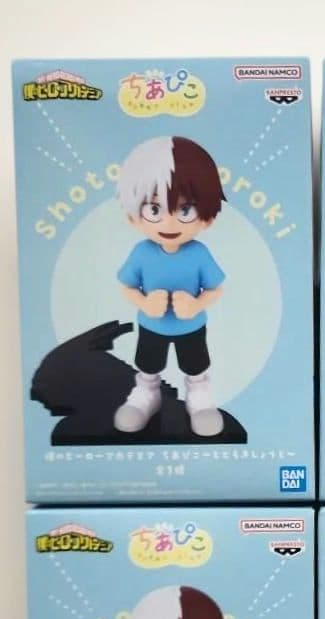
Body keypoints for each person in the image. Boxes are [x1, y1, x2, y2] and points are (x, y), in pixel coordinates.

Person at [114, 136, 226, 437]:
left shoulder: (199, 254)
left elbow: (216, 288)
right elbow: (126, 286)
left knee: (195, 365)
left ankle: (199, 397)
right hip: (151, 325)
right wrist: (144, 303)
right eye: (154, 209)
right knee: (148, 363)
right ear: (133, 216)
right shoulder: (141, 253)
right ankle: (146, 393)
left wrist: (196, 304)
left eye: (185, 210)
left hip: (192, 326)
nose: (169, 222)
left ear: (207, 216)